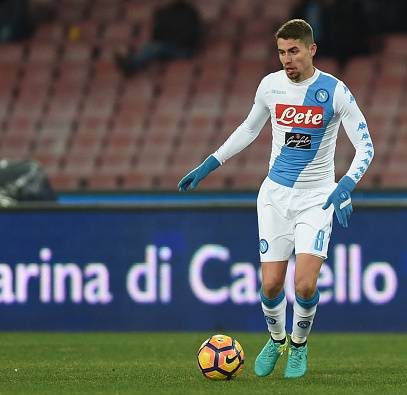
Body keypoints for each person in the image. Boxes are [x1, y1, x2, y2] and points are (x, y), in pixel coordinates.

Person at [178, 19, 373, 377]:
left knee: (305, 284)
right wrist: (209, 164)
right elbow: (249, 129)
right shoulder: (270, 87)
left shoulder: (334, 91)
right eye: (282, 52)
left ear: (311, 50)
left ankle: (298, 346)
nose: (287, 59)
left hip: (317, 198)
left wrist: (345, 184)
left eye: (294, 51)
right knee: (270, 285)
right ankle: (277, 338)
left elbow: (366, 146)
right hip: (274, 197)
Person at [115, 0, 202, 77]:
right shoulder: (165, 13)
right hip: (168, 47)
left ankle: (132, 64)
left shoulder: (189, 13)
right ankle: (132, 62)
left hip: (185, 50)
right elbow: (157, 34)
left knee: (156, 47)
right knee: (153, 46)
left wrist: (172, 41)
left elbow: (191, 36)